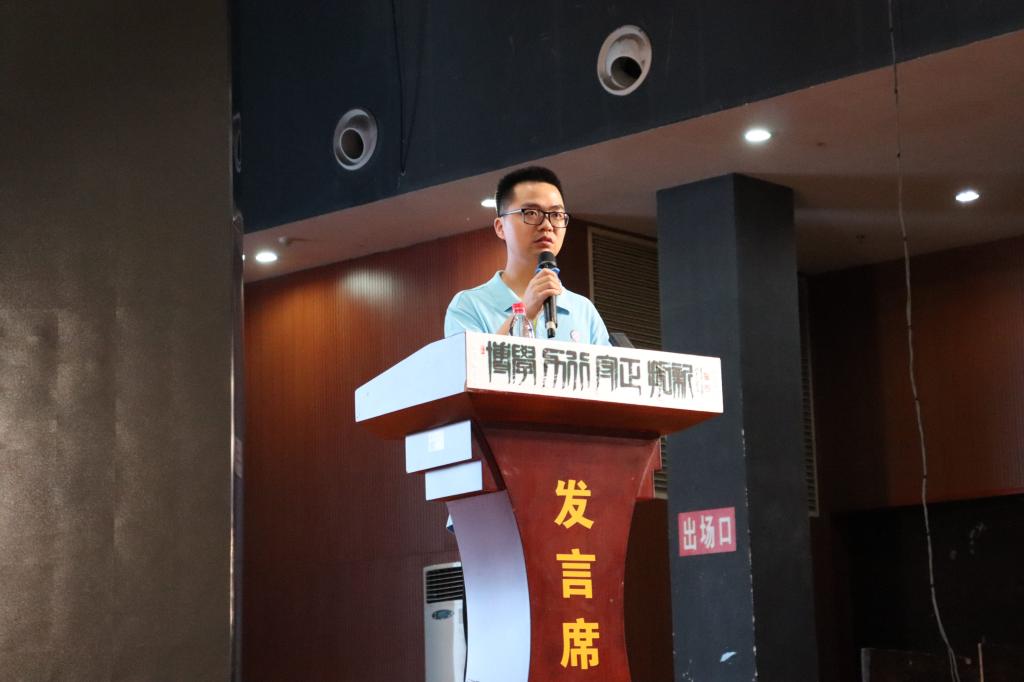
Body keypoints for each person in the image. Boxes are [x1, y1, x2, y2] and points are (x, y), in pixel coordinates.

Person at [444, 166, 611, 345]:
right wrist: (524, 312)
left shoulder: (583, 310)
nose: (547, 225)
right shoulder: (469, 305)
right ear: (500, 228)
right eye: (531, 213)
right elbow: (472, 361)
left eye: (556, 214)